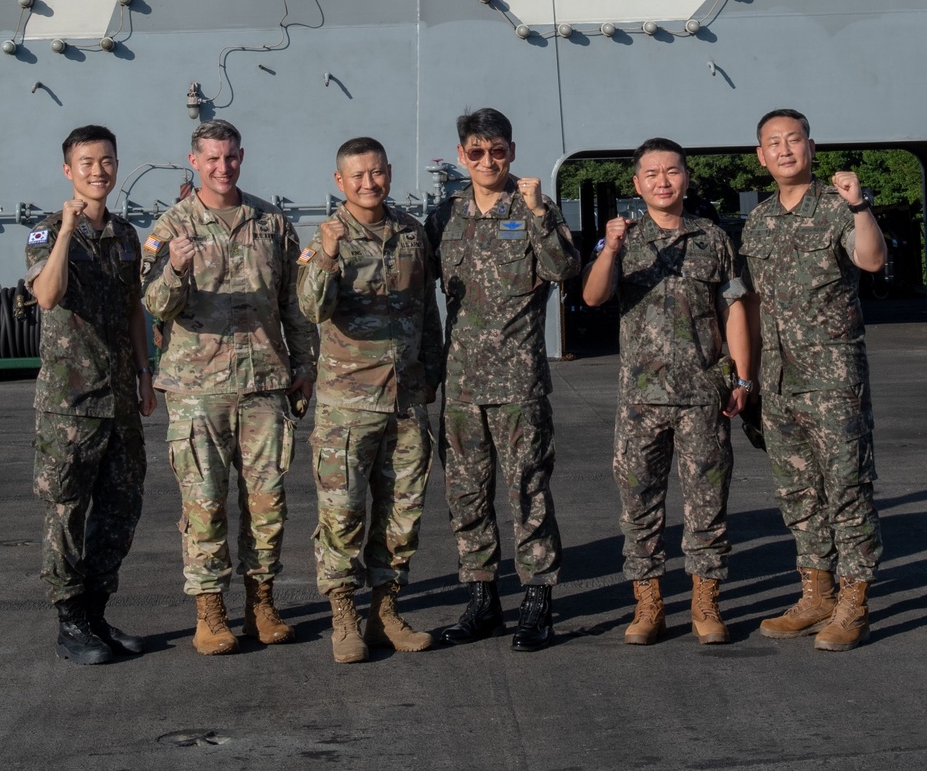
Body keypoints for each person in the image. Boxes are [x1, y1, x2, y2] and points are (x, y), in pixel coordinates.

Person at [142, 120, 316, 656]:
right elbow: (153, 306)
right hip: (198, 389)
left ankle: (261, 601)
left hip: (265, 383)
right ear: (193, 161)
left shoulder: (271, 222)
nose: (223, 168)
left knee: (267, 503)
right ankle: (210, 610)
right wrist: (173, 269)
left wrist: (305, 364)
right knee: (204, 503)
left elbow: (295, 302)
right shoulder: (170, 226)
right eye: (212, 159)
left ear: (242, 156)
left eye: (231, 158)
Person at [582, 138, 753, 646]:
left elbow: (734, 309)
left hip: (704, 393)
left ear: (686, 177)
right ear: (637, 183)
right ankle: (648, 602)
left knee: (708, 503)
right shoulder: (624, 239)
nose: (662, 181)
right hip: (640, 400)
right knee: (639, 505)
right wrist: (610, 247)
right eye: (651, 173)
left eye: (672, 171)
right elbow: (593, 296)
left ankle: (705, 601)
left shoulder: (712, 237)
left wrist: (743, 376)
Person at [425, 107, 579, 652]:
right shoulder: (445, 215)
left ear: (512, 151)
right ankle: (482, 600)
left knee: (527, 492)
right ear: (463, 154)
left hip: (518, 385)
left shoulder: (534, 207)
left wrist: (537, 213)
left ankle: (538, 601)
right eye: (476, 151)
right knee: (466, 496)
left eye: (497, 150)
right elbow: (422, 294)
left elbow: (564, 271)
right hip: (461, 387)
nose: (487, 160)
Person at [740, 109, 886, 651]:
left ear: (811, 147)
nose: (784, 150)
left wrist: (859, 204)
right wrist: (747, 375)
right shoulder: (758, 221)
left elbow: (872, 261)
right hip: (777, 381)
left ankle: (854, 603)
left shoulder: (837, 206)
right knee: (798, 493)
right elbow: (751, 304)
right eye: (773, 143)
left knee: (847, 489)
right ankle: (817, 593)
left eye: (793, 140)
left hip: (832, 381)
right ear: (761, 155)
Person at [298, 136, 443, 664]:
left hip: (406, 398)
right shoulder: (326, 238)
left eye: (377, 172)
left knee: (402, 513)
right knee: (342, 514)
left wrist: (432, 369)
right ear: (340, 181)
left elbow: (427, 307)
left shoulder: (411, 231)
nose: (369, 183)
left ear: (389, 172)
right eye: (357, 175)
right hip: (348, 403)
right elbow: (311, 308)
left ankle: (386, 611)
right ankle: (344, 615)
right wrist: (330, 255)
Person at [26, 125, 155, 665]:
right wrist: (65, 233)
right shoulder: (44, 231)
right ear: (67, 170)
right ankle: (69, 620)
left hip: (120, 400)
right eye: (86, 162)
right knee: (67, 510)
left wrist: (147, 374)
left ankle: (97, 611)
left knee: (121, 509)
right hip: (69, 404)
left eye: (106, 161)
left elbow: (132, 309)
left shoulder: (126, 236)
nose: (98, 171)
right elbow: (48, 296)